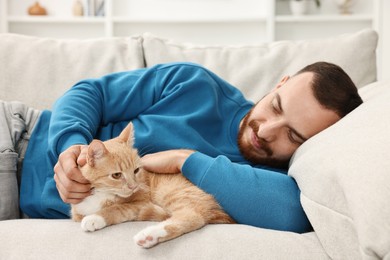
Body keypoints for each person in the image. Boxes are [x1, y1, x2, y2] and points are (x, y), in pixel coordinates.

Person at [0, 61, 362, 233]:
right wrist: (70, 148)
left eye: (293, 136)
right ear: (279, 83)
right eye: (276, 106)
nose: (266, 129)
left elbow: (293, 214)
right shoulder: (194, 83)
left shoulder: (271, 176)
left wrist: (185, 159)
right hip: (20, 135)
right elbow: (89, 93)